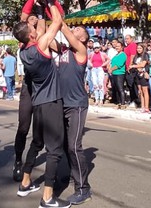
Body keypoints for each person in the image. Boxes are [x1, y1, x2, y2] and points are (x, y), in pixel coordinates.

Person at [13, 0, 71, 208]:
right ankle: (47, 197)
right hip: (51, 102)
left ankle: (25, 183)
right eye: (32, 28)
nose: (35, 27)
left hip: (38, 103)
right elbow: (57, 21)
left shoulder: (23, 52)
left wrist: (37, 10)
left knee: (37, 143)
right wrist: (48, 1)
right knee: (54, 149)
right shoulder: (40, 46)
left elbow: (39, 28)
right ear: (30, 35)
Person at [59, 22, 92, 205]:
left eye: (78, 29)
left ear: (84, 38)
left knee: (74, 146)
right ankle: (73, 174)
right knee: (64, 144)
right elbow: (46, 36)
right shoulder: (64, 50)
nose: (74, 29)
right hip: (62, 103)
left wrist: (52, 1)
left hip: (77, 105)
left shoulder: (80, 49)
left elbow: (62, 27)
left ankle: (83, 188)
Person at [129, 43, 150, 113]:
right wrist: (135, 66)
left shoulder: (145, 55)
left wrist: (134, 66)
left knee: (145, 91)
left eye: (140, 48)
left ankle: (147, 107)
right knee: (140, 91)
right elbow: (132, 64)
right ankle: (142, 106)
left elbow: (143, 64)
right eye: (137, 48)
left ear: (143, 48)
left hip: (143, 74)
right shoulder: (136, 56)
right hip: (137, 74)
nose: (138, 50)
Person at [108, 40, 127, 109]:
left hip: (120, 73)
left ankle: (122, 103)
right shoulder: (116, 55)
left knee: (120, 88)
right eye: (116, 46)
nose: (117, 47)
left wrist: (111, 69)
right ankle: (118, 102)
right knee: (116, 88)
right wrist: (109, 67)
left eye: (118, 46)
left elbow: (119, 64)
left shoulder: (123, 55)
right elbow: (112, 62)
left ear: (122, 47)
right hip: (114, 73)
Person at [123, 34, 138, 108]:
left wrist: (130, 65)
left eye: (128, 38)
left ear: (131, 39)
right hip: (126, 67)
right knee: (129, 85)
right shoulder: (126, 46)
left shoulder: (133, 45)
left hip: (131, 68)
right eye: (125, 39)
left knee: (132, 85)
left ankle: (134, 100)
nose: (126, 40)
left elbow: (132, 55)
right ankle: (132, 99)